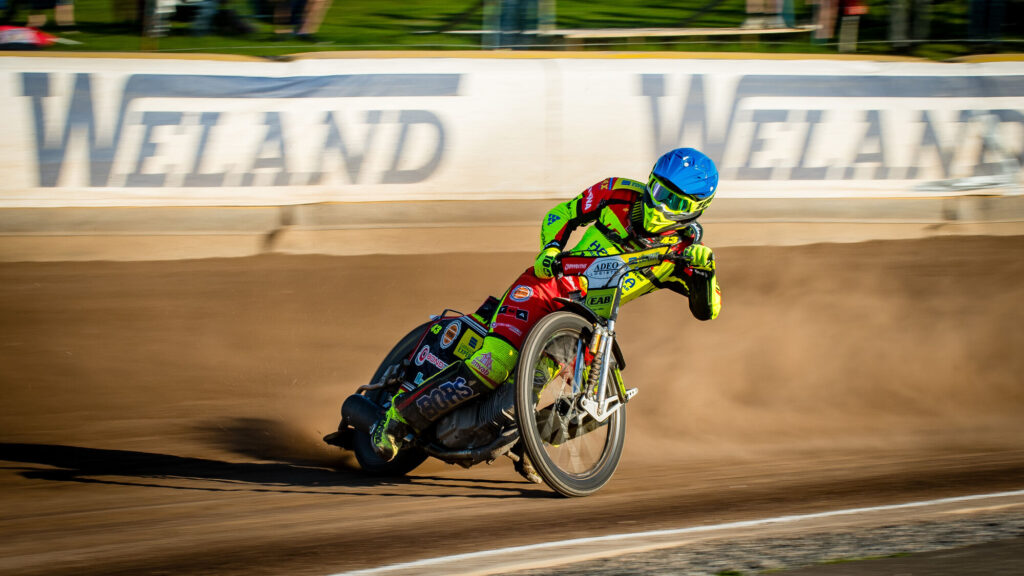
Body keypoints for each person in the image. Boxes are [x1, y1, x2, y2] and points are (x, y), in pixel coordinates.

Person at [369, 148, 723, 476]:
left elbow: (709, 311)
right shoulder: (618, 192)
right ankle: (397, 416)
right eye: (657, 190)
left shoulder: (688, 254)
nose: (658, 205)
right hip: (545, 287)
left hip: (584, 323)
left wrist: (704, 274)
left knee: (595, 401)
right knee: (493, 364)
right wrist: (551, 247)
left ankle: (529, 443)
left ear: (695, 208)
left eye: (672, 201)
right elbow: (563, 213)